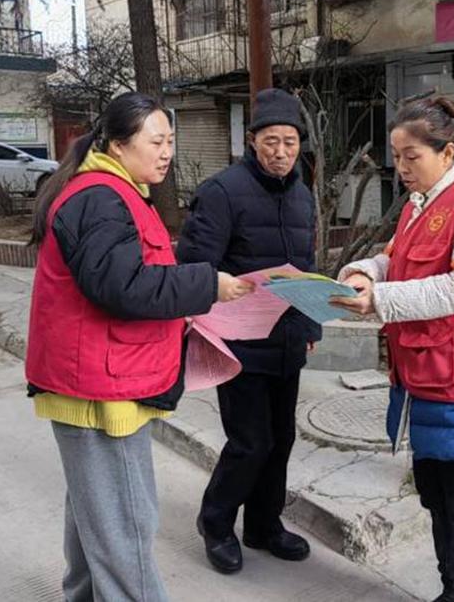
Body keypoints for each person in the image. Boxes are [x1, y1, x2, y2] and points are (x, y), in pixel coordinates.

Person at [25, 92, 253, 601]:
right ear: (118, 144)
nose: (167, 151)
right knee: (126, 525)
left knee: (96, 516)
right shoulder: (101, 198)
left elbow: (125, 277)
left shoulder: (114, 191)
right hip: (100, 391)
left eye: (170, 140)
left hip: (97, 378)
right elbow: (122, 286)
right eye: (156, 141)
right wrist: (206, 285)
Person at [333, 96, 454, 602]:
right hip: (427, 382)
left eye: (412, 156)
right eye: (397, 157)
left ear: (447, 152)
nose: (401, 168)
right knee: (439, 503)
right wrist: (364, 273)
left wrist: (380, 299)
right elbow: (395, 259)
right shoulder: (419, 204)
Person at [177, 87, 322, 574]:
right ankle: (216, 524)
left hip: (286, 340)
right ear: (252, 140)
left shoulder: (302, 194)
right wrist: (217, 299)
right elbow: (195, 266)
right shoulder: (222, 192)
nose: (281, 152)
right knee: (250, 443)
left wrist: (309, 323)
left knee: (281, 439)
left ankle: (264, 525)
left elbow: (305, 268)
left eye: (290, 142)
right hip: (238, 342)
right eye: (271, 141)